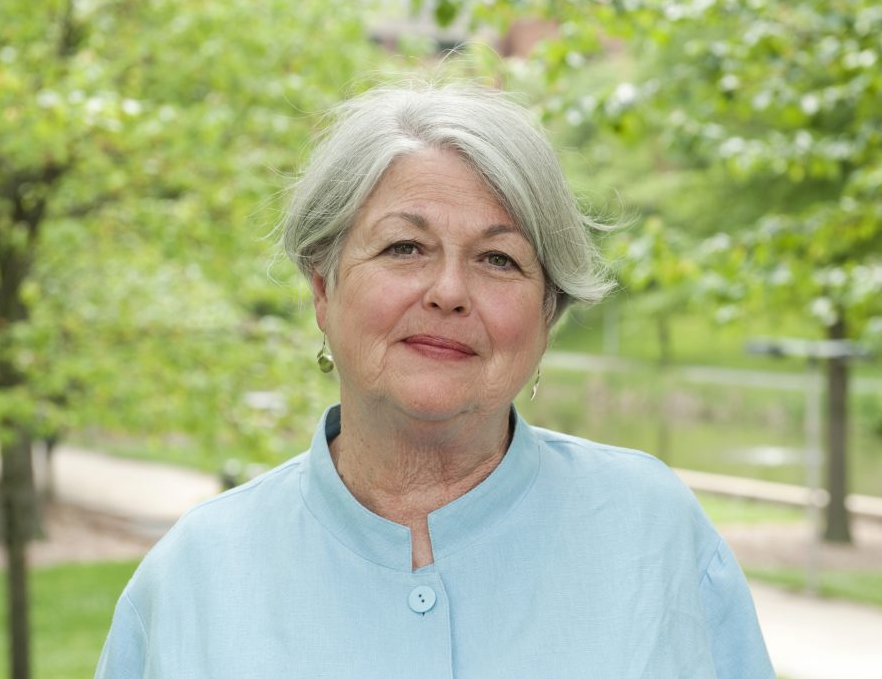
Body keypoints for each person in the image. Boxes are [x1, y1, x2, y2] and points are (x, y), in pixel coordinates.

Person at [95, 83, 775, 678]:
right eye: (404, 247)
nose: (449, 290)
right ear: (323, 286)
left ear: (548, 311)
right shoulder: (194, 574)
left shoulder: (653, 532)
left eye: (498, 259)